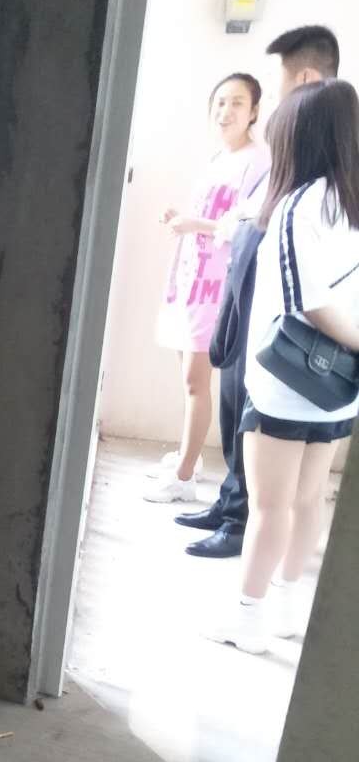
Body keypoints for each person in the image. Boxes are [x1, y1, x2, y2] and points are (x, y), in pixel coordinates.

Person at [206, 79, 359, 654]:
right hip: (341, 385)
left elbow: (306, 302)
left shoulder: (300, 206)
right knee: (309, 499)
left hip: (290, 382)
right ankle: (289, 608)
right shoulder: (350, 199)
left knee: (270, 508)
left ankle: (248, 621)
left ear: (302, 137)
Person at [177, 25, 341, 556]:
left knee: (254, 415)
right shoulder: (296, 148)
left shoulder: (319, 153)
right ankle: (229, 504)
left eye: (278, 85)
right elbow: (253, 214)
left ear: (306, 78)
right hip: (246, 285)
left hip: (277, 311)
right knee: (232, 399)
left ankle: (240, 522)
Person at [145, 74, 270, 504]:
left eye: (237, 103)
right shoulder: (220, 157)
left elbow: (248, 225)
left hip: (216, 287)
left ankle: (183, 478)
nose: (225, 111)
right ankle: (190, 455)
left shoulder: (259, 161)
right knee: (188, 377)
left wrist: (193, 224)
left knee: (196, 381)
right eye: (219, 103)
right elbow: (212, 215)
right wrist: (181, 218)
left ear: (254, 111)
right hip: (191, 277)